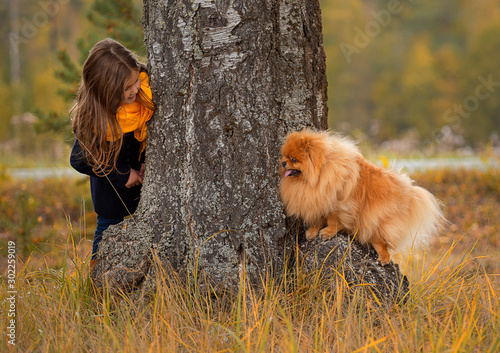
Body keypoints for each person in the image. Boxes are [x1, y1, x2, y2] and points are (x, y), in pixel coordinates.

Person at [69, 38, 155, 267]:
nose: (135, 89)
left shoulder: (144, 94)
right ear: (106, 91)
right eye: (127, 88)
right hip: (112, 196)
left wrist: (149, 159)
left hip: (149, 191)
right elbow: (79, 159)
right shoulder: (95, 119)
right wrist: (123, 174)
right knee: (106, 232)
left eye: (135, 80)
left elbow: (153, 133)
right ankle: (98, 284)